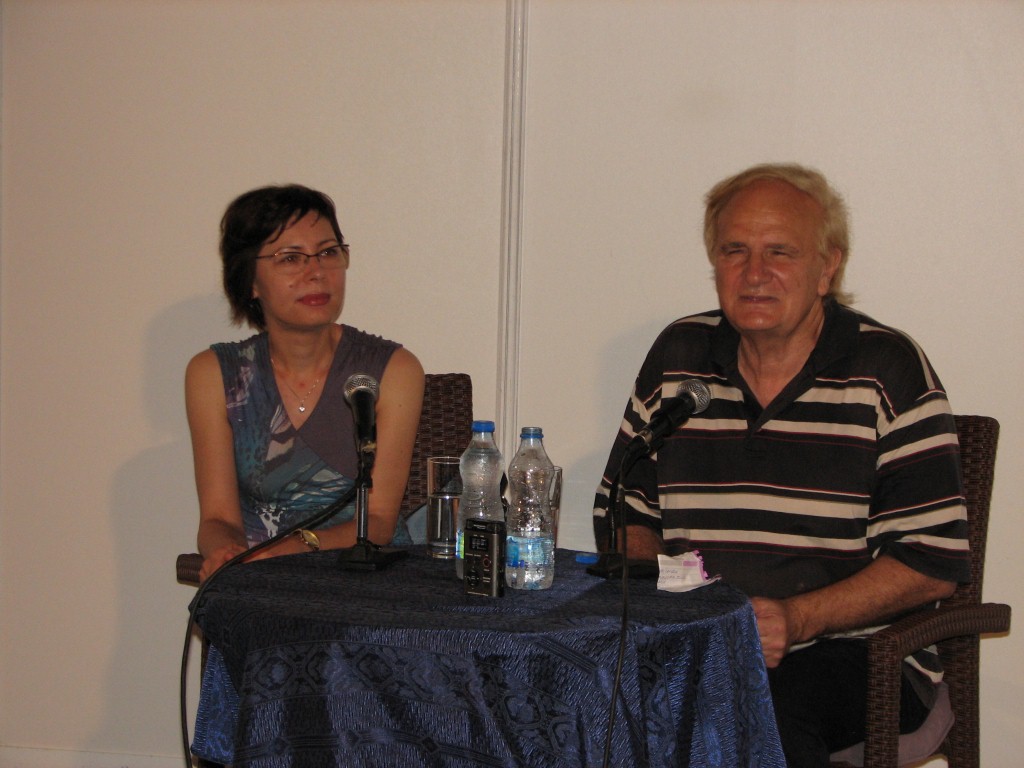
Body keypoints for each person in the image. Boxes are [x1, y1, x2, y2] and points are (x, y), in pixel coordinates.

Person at [592, 163, 969, 766]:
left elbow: (931, 564)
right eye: (734, 250)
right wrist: (668, 608)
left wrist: (796, 619)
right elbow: (626, 512)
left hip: (859, 654)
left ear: (827, 268)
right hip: (699, 638)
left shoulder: (887, 369)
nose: (754, 273)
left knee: (754, 707)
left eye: (780, 252)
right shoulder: (679, 356)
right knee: (571, 691)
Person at [187, 184, 424, 583]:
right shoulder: (214, 374)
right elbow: (216, 519)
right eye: (290, 258)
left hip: (368, 581)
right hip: (264, 580)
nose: (316, 273)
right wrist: (226, 552)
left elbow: (379, 521)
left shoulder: (393, 369)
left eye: (328, 252)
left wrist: (286, 549)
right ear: (250, 281)